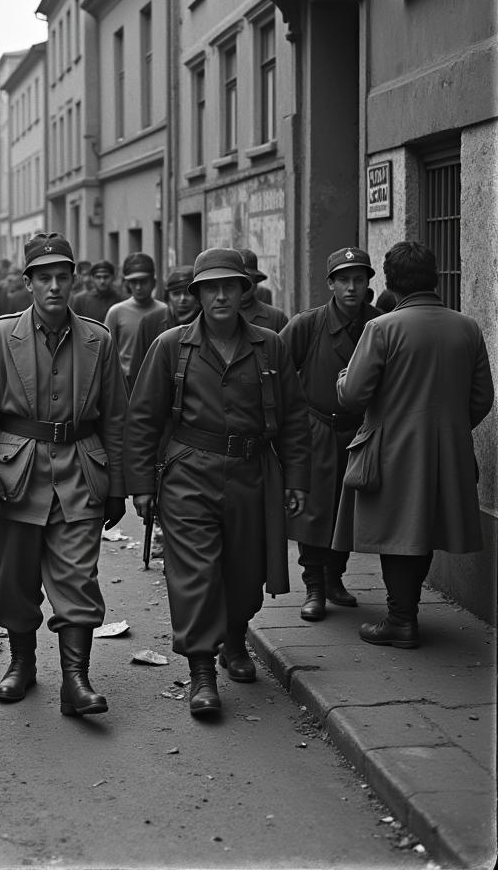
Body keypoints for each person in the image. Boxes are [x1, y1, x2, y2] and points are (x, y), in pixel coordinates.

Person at [125, 248, 310, 720]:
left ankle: (235, 637)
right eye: (212, 287)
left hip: (253, 471)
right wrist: (142, 484)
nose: (222, 295)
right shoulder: (171, 346)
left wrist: (298, 479)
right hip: (189, 470)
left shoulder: (270, 345)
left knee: (246, 575)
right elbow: (143, 418)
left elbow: (293, 419)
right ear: (198, 295)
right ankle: (202, 672)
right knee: (195, 574)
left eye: (231, 285)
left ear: (245, 291)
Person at [0, 232, 128, 717]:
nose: (54, 286)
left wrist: (116, 485)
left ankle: (76, 680)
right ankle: (22, 662)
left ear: (73, 280)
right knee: (15, 580)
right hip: (15, 475)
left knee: (78, 578)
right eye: (44, 277)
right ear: (29, 282)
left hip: (80, 469)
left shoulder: (98, 338)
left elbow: (116, 416)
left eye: (62, 276)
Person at [332, 241, 494, 649]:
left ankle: (401, 619)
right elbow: (482, 398)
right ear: (434, 277)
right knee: (421, 533)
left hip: (392, 450)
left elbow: (352, 395)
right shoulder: (467, 327)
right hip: (449, 449)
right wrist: (452, 428)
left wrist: (340, 378)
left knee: (399, 533)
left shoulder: (382, 328)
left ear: (389, 282)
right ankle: (404, 614)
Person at [279, 247, 381, 622]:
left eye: (358, 279)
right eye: (343, 280)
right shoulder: (309, 324)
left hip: (360, 433)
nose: (351, 287)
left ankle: (335, 578)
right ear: (331, 284)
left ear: (369, 283)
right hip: (316, 429)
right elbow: (278, 372)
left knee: (347, 510)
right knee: (314, 511)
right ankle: (314, 587)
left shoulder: (379, 323)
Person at [127, 265, 199, 390]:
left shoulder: (205, 321)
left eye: (187, 294)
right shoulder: (151, 322)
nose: (182, 299)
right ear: (168, 296)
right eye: (176, 294)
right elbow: (138, 367)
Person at [105, 253, 167, 379]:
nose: (138, 287)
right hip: (125, 379)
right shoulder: (116, 312)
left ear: (153, 282)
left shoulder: (164, 311)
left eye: (143, 281)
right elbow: (107, 351)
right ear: (127, 283)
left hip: (157, 377)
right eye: (133, 282)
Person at [238, 248, 288, 330]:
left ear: (256, 282)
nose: (245, 285)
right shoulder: (216, 317)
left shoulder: (277, 319)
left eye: (250, 279)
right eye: (240, 279)